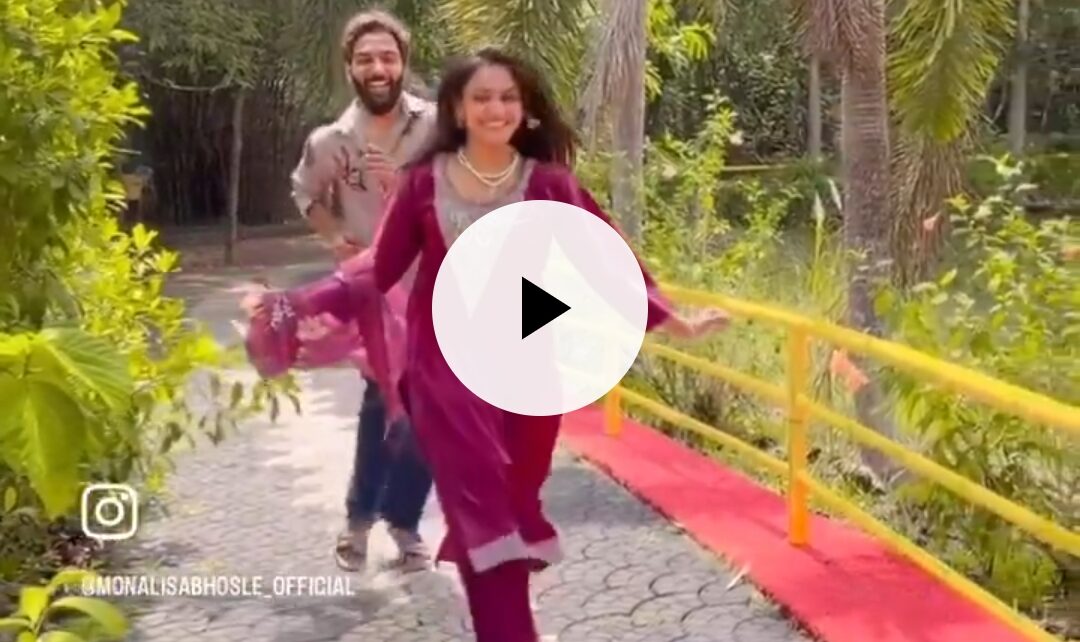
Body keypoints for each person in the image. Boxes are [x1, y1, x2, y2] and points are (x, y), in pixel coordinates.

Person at [365, 48, 731, 641]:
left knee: (513, 507)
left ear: (527, 109)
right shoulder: (422, 185)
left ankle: (505, 615)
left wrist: (675, 322)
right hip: (446, 375)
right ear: (456, 108)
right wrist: (312, 315)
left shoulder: (550, 184)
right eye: (482, 97)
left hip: (528, 372)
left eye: (508, 97)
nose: (496, 109)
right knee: (483, 512)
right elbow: (376, 272)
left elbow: (606, 263)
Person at [288, 9, 435, 573]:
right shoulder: (331, 141)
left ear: (403, 63)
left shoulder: (437, 126)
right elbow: (305, 191)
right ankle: (359, 519)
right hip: (376, 294)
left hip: (437, 287)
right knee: (382, 402)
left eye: (388, 57)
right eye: (366, 59)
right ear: (350, 67)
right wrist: (335, 238)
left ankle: (405, 523)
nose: (378, 68)